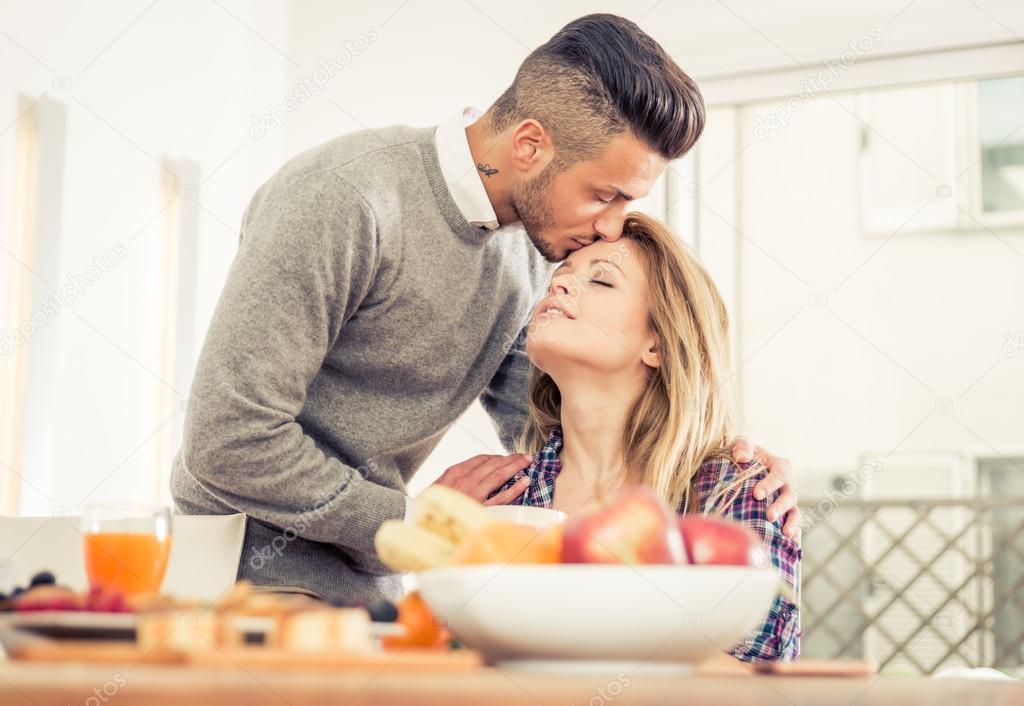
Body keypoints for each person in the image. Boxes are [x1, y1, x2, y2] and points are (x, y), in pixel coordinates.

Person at [171, 13, 799, 604]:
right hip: (246, 584)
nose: (613, 228)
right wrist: (414, 522)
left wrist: (728, 463)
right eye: (604, 195)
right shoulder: (343, 199)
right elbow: (227, 439)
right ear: (530, 145)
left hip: (372, 586)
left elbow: (557, 434)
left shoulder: (537, 250)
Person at [492, 212, 801, 660]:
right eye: (560, 277)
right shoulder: (507, 501)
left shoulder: (735, 492)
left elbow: (759, 683)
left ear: (656, 344)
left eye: (600, 281)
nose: (557, 286)